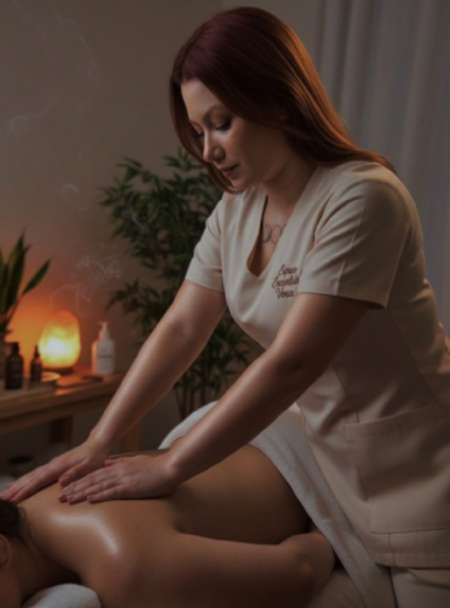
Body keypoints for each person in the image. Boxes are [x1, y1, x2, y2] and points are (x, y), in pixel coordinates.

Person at [2, 5, 450, 605]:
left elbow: (292, 362)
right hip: (324, 466)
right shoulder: (237, 210)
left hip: (417, 477)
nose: (208, 150)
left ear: (279, 102)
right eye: (198, 131)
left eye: (221, 123)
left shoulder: (362, 199)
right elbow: (183, 326)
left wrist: (172, 465)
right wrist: (99, 440)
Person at [0, 439, 335, 608]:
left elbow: (302, 570)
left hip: (303, 457)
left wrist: (333, 520)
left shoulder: (122, 566)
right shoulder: (24, 497)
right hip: (211, 436)